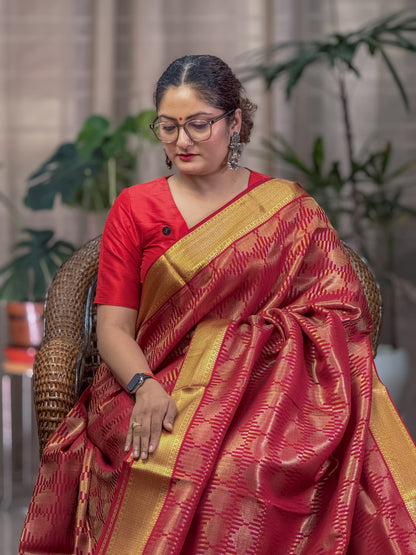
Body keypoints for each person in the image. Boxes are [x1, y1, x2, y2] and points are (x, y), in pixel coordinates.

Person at [20, 54, 416, 554]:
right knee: (166, 457)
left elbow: (339, 310)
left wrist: (244, 354)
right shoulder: (136, 206)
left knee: (249, 464)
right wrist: (143, 387)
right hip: (153, 383)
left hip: (267, 394)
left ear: (236, 122)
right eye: (168, 127)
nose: (182, 141)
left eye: (199, 124)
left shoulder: (287, 208)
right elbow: (113, 329)